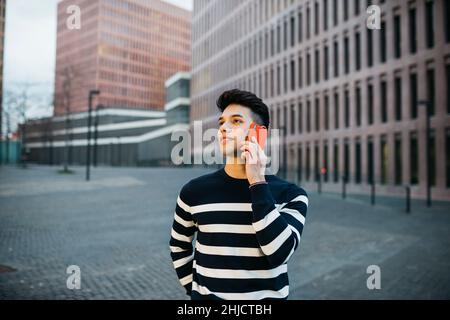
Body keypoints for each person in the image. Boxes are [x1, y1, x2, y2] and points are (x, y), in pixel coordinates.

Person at [169, 89, 309, 300]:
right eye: (221, 122)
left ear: (259, 134)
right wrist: (196, 292)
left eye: (235, 121)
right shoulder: (193, 192)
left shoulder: (292, 195)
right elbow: (179, 245)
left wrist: (257, 182)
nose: (223, 128)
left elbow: (279, 253)